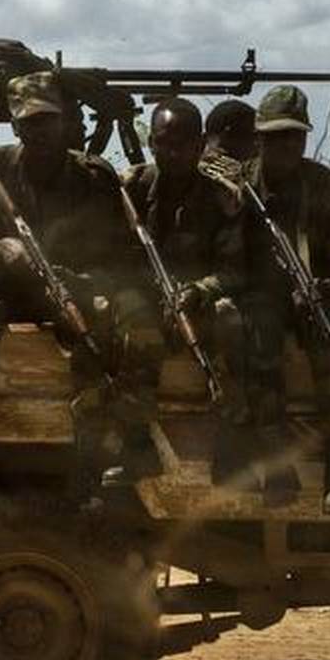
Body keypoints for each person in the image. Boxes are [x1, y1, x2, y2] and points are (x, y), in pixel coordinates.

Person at [0, 71, 164, 499]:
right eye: (29, 122)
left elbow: (126, 255)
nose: (40, 131)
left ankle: (120, 445)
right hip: (12, 294)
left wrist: (89, 282)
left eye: (48, 120)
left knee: (124, 314)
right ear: (15, 126)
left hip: (76, 294)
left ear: (65, 121)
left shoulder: (93, 177)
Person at [128, 97, 298, 499]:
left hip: (198, 307)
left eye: (183, 144)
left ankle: (236, 443)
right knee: (129, 322)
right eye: (163, 143)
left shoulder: (222, 198)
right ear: (151, 142)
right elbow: (111, 257)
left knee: (232, 320)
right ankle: (133, 446)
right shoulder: (131, 189)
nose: (172, 153)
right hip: (149, 304)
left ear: (201, 143)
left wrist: (197, 291)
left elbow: (233, 270)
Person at [244, 84, 330, 515]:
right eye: (275, 137)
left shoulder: (329, 190)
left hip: (316, 296)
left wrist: (325, 289)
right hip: (259, 299)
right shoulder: (237, 186)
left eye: (293, 137)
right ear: (258, 138)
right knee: (256, 336)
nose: (285, 146)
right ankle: (279, 470)